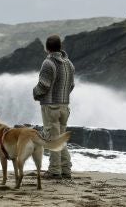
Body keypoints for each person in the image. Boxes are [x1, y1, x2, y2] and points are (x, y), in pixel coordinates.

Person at [33, 34, 75, 179]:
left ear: (47, 48)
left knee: (52, 139)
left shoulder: (48, 63)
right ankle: (66, 169)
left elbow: (43, 85)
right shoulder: (69, 64)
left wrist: (35, 93)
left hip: (51, 107)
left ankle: (54, 171)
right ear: (60, 46)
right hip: (64, 106)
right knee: (60, 139)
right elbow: (72, 85)